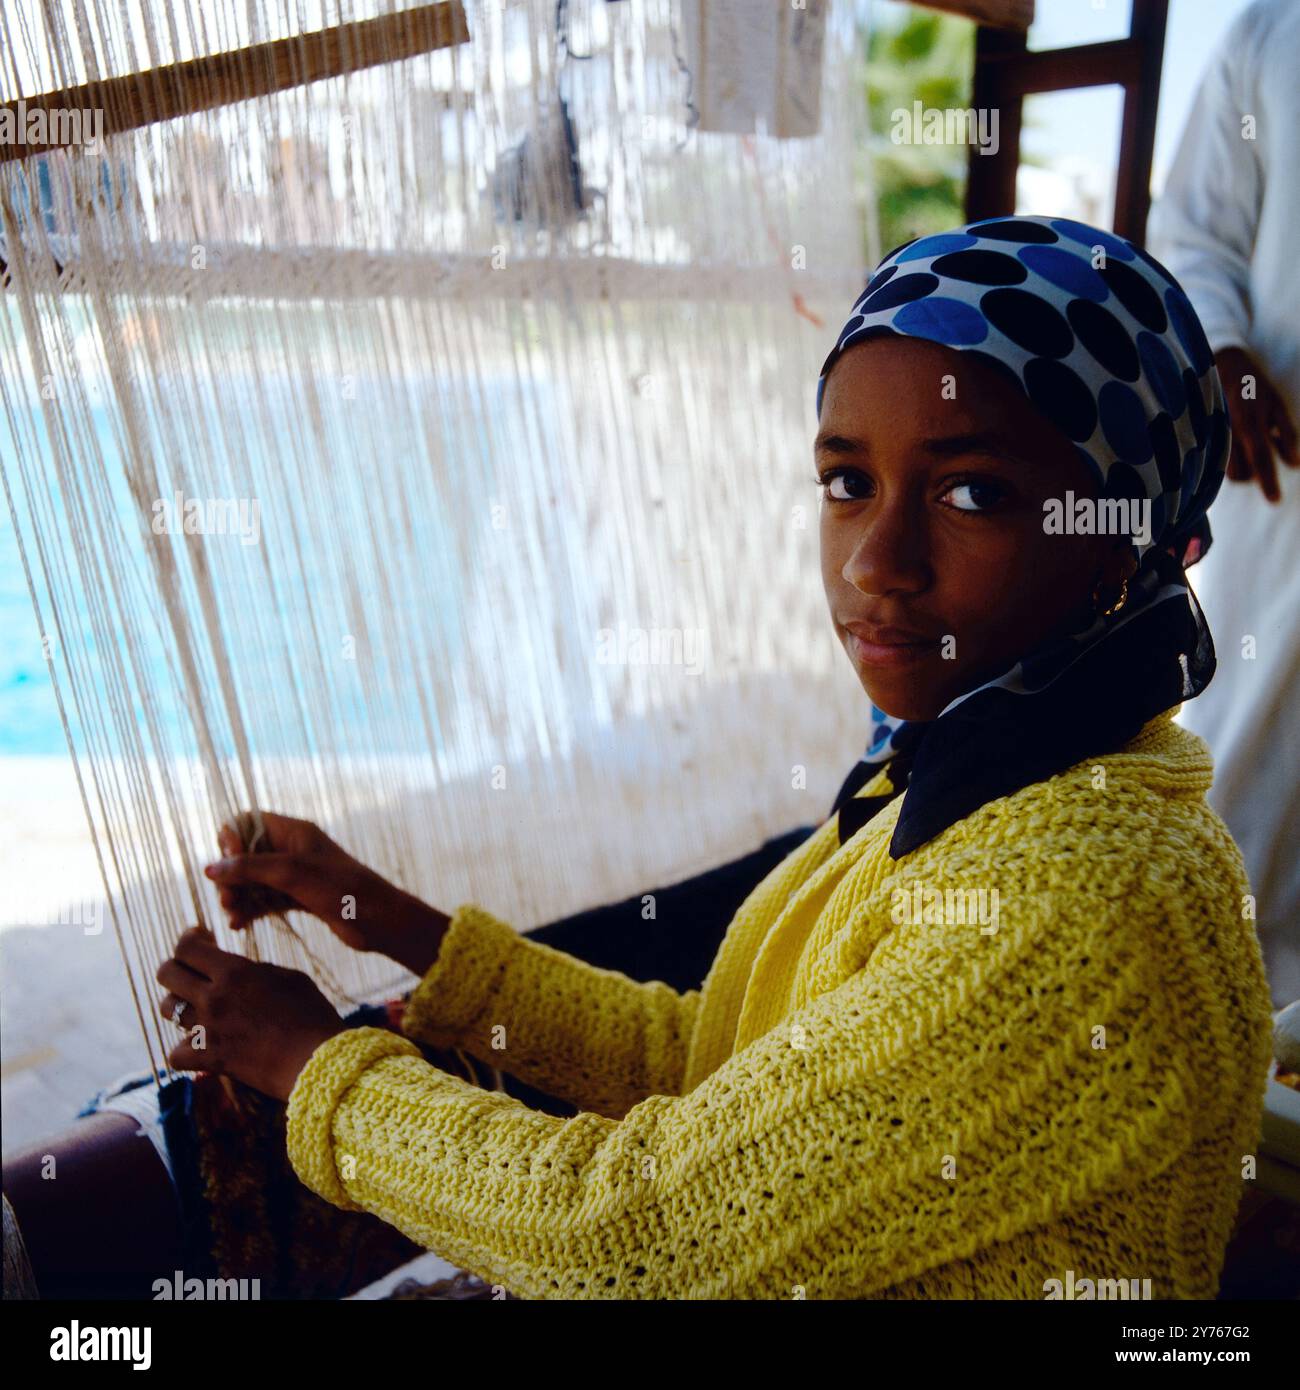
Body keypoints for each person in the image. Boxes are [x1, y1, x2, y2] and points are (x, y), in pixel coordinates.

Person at [3, 214, 1276, 1300]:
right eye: (846, 481)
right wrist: (375, 912)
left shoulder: (1079, 893)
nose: (875, 564)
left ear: (1132, 540)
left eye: (974, 492)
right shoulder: (975, 773)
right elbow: (704, 1065)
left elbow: (637, 1236)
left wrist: (313, 1066)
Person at [1146, 0, 1300, 1010]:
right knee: (1250, 758)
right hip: (1280, 473)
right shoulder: (1269, 33)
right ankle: (1221, 1040)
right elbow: (1194, 232)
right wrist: (1222, 349)